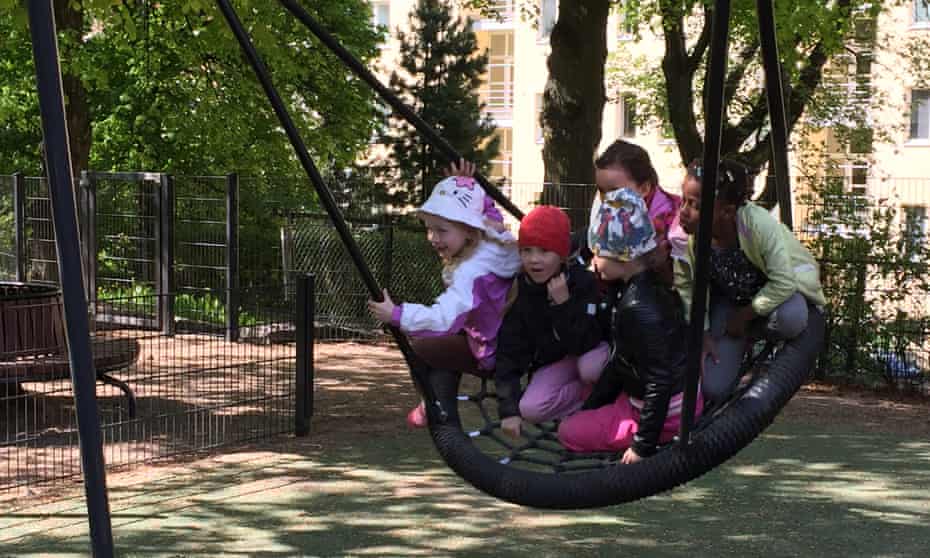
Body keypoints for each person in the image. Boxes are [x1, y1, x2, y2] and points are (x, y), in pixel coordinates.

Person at [558, 188, 699, 464]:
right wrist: (591, 407)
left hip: (667, 414)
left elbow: (660, 379)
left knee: (567, 431)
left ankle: (634, 429)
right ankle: (609, 414)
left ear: (620, 255)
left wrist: (641, 445)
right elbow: (621, 362)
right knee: (586, 406)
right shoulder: (643, 287)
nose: (593, 263)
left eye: (597, 254)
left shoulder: (637, 307)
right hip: (669, 399)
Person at [368, 174, 521, 428]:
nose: (433, 238)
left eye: (442, 230)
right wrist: (469, 183)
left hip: (488, 351)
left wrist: (396, 314)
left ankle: (429, 404)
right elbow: (491, 215)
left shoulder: (469, 273)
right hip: (498, 334)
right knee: (442, 346)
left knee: (420, 348)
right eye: (430, 228)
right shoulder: (493, 240)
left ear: (469, 231)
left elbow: (442, 320)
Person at [675, 159, 827, 406]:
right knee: (714, 387)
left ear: (727, 211)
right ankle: (740, 342)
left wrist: (746, 316)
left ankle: (754, 335)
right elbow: (686, 286)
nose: (683, 210)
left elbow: (784, 282)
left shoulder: (757, 225)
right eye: (684, 200)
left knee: (793, 318)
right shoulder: (687, 235)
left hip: (773, 297)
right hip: (731, 302)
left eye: (695, 205)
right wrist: (702, 332)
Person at [494, 206, 610, 438]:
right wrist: (508, 410)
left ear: (561, 254)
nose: (534, 260)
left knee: (590, 367)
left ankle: (605, 398)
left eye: (545, 251)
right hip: (557, 361)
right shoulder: (523, 291)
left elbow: (585, 342)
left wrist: (564, 305)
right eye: (527, 251)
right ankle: (584, 398)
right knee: (530, 408)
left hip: (590, 351)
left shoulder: (582, 282)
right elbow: (509, 352)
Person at [586, 140, 686, 282]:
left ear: (644, 188)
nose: (606, 200)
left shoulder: (670, 224)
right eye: (602, 191)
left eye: (615, 192)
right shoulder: (612, 207)